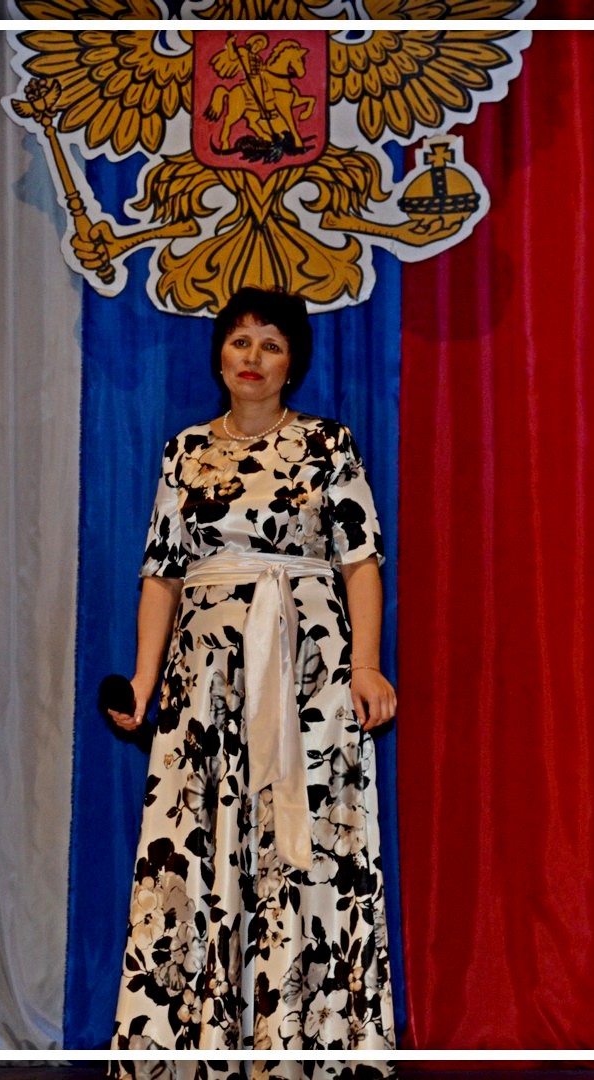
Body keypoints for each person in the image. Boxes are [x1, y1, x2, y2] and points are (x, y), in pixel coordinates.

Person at [104, 288, 396, 1051]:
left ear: (292, 361)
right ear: (219, 356)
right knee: (199, 840)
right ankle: (200, 1041)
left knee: (305, 842)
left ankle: (303, 1038)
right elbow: (161, 576)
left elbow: (361, 562)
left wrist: (366, 666)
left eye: (271, 344)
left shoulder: (328, 444)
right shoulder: (184, 450)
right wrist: (143, 683)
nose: (253, 358)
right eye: (240, 342)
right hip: (204, 681)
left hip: (307, 676)